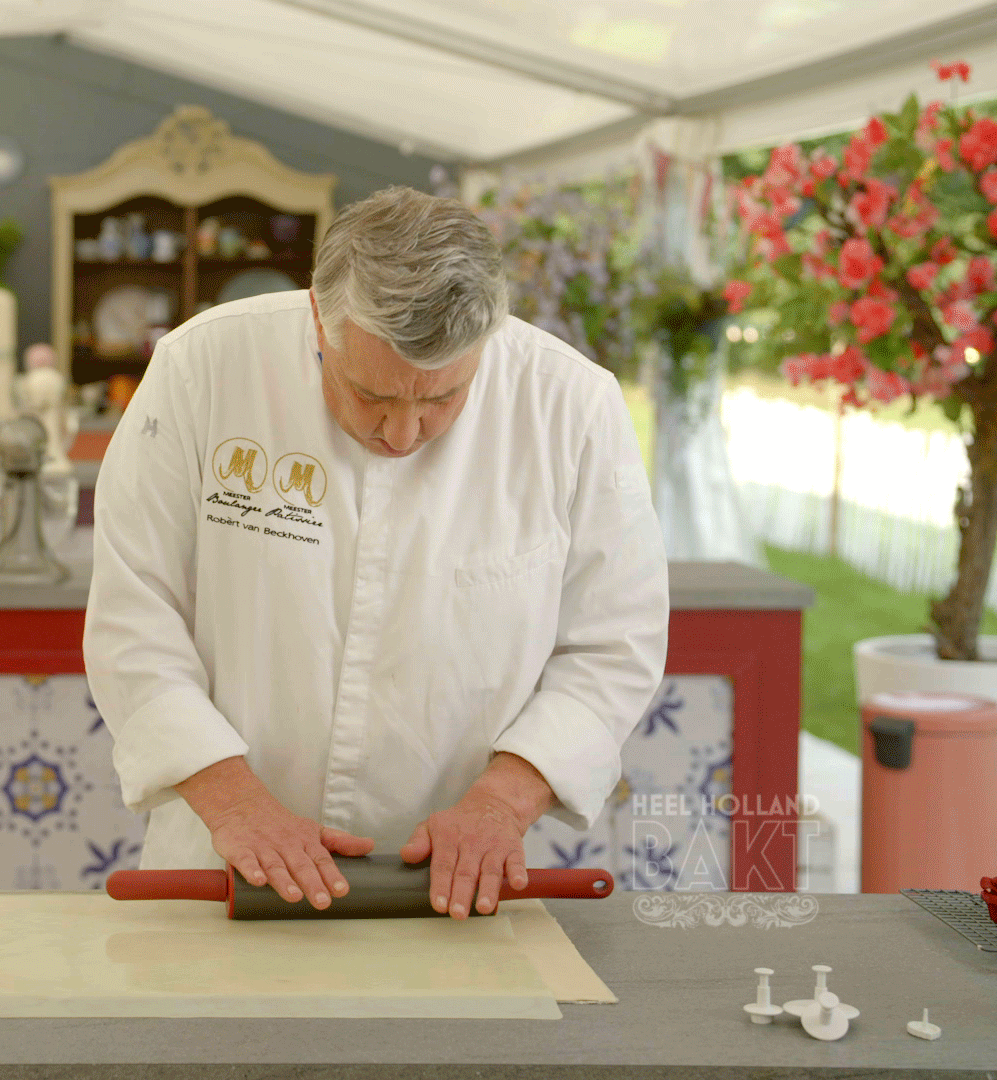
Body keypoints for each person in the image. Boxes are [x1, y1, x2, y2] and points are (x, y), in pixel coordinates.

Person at [84, 186, 668, 919]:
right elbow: (135, 612)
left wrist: (502, 803)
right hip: (226, 862)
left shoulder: (572, 404)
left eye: (441, 400)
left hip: (460, 879)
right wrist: (232, 802)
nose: (402, 434)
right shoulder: (202, 367)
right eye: (370, 394)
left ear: (489, 341)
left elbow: (615, 642)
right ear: (318, 324)